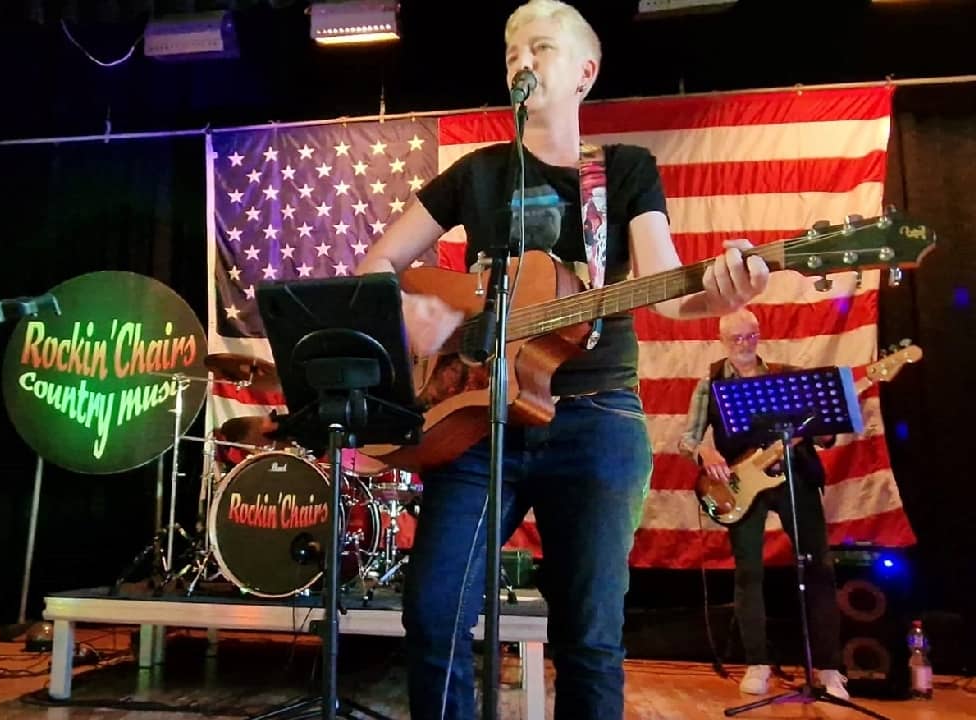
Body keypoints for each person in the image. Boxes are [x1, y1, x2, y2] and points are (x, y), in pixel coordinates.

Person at [354, 2, 771, 717]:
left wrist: (724, 290)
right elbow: (378, 263)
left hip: (597, 418)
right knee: (434, 613)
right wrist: (423, 312)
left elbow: (670, 293)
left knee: (589, 636)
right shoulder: (476, 174)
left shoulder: (626, 172)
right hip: (479, 420)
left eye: (541, 47)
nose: (521, 60)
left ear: (585, 71)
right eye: (512, 49)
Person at [678, 308, 849, 700]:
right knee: (748, 573)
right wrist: (706, 452)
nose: (744, 345)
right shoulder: (711, 381)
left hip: (795, 475)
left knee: (818, 566)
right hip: (742, 483)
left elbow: (824, 436)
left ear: (759, 335)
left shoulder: (786, 375)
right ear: (722, 340)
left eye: (750, 336)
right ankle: (757, 663)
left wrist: (820, 435)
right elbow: (687, 438)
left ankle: (827, 667)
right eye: (735, 339)